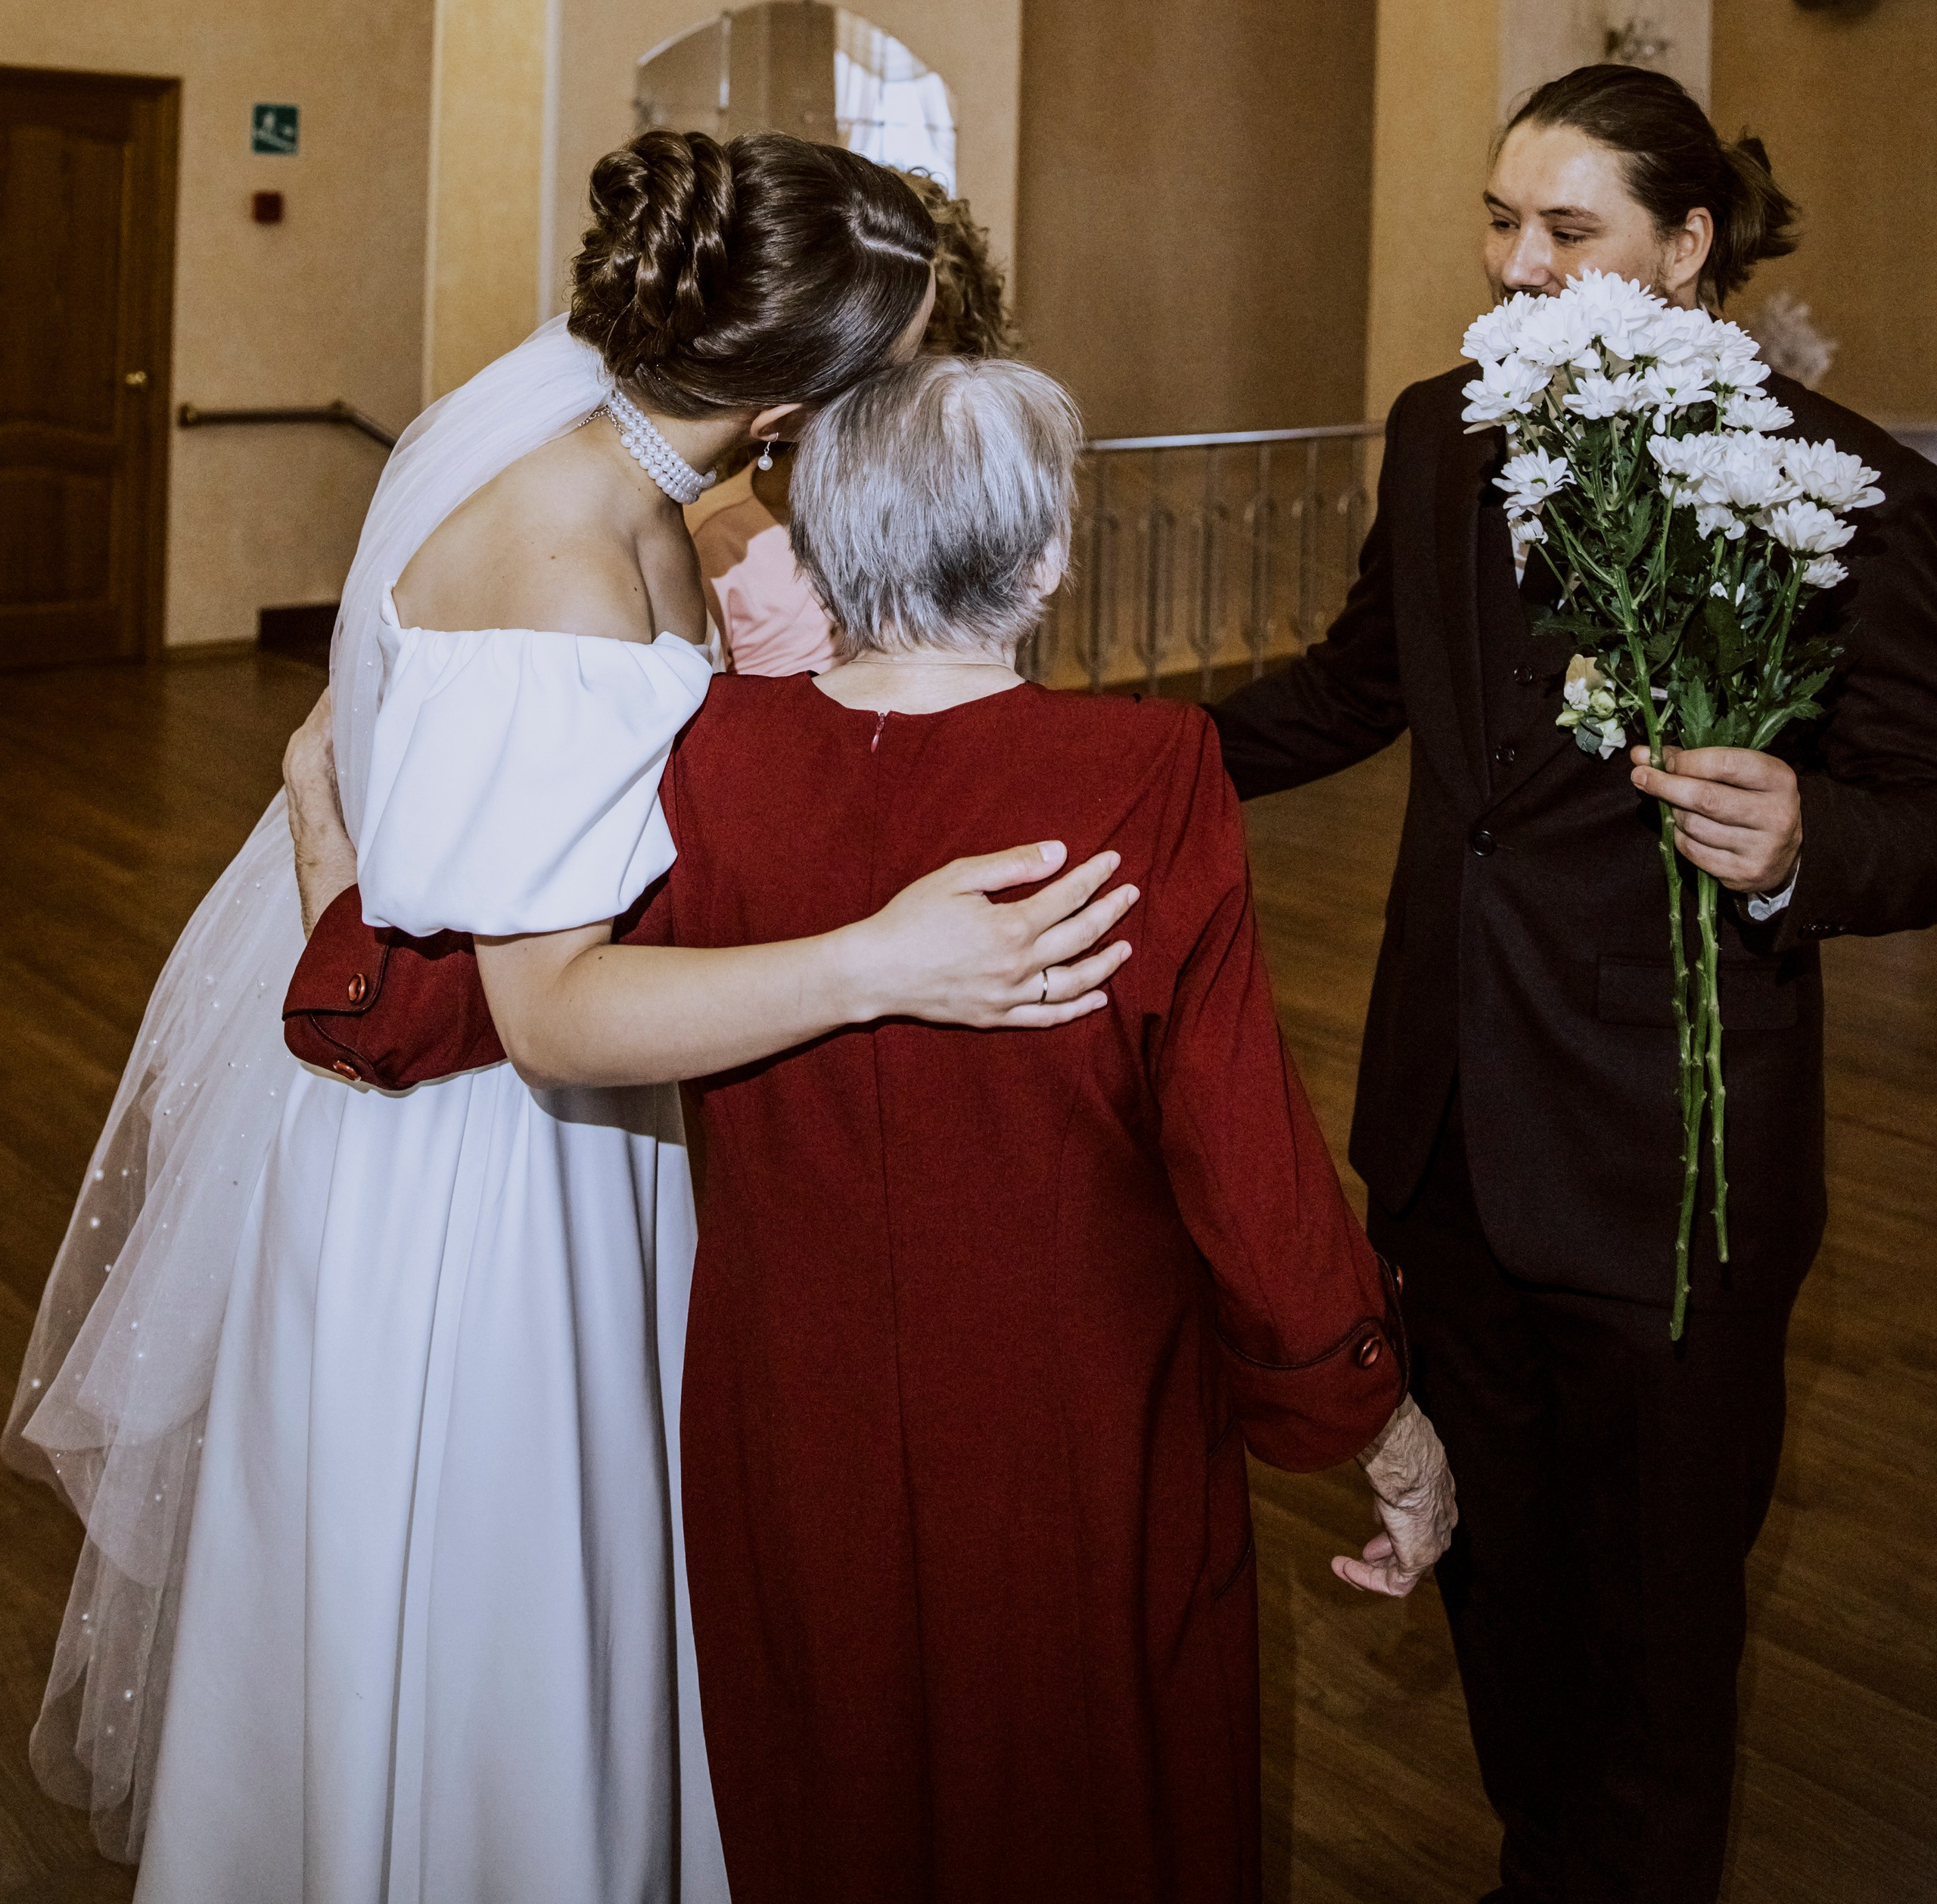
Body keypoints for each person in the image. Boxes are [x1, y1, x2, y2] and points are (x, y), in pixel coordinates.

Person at [5, 129, 1137, 1902]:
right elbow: (546, 1009)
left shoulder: (610, 479)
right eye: (894, 360)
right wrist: (887, 959)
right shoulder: (570, 558)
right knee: (501, 1632)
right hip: (489, 1180)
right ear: (796, 382)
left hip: (557, 1147)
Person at [287, 353, 1457, 1904]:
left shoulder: (698, 759)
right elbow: (1242, 1157)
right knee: (1089, 1795)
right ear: (1045, 561)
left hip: (787, 1401)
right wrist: (1373, 1414)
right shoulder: (1144, 772)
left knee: (821, 1779)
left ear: (823, 553)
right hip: (1075, 1411)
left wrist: (326, 827)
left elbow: (430, 1003)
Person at [1211, 65, 1937, 1904]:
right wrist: (1072, 767)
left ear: (1683, 247)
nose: (1511, 261)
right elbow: (1348, 686)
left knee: (1652, 1632)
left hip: (1664, 1164)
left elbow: (1917, 816)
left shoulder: (1849, 489)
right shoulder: (1435, 427)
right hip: (1445, 1120)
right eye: (1495, 220)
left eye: (1564, 227)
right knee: (1497, 1575)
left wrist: (1800, 843)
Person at [695, 168, 1016, 676]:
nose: (894, 392)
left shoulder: (969, 516)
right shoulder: (718, 537)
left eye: (923, 356)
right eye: (879, 362)